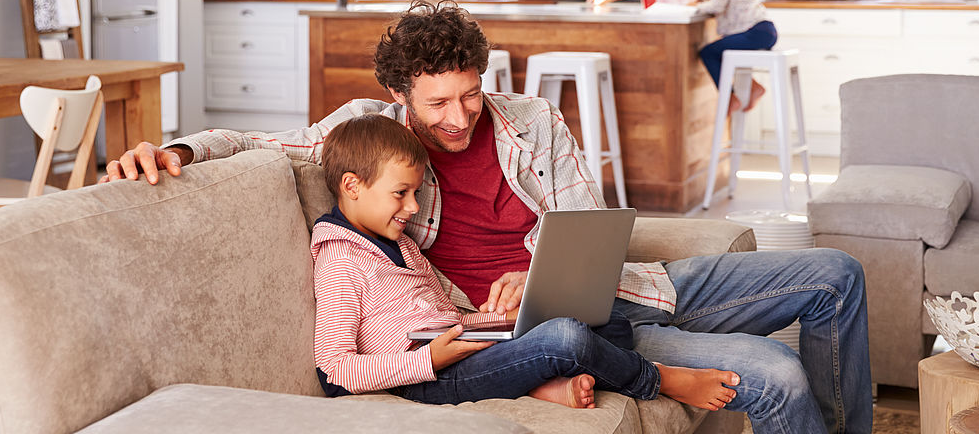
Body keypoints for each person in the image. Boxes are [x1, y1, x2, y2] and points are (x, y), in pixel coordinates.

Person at [103, 0, 872, 434]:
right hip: (528, 331)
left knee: (837, 275)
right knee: (773, 374)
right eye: (438, 101)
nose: (460, 114)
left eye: (470, 92)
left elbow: (587, 227)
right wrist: (175, 148)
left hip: (628, 288)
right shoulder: (370, 136)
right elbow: (257, 138)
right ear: (402, 94)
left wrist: (531, 268)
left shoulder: (532, 120)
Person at [312, 112, 739, 410]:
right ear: (352, 186)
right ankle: (661, 379)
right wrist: (428, 361)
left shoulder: (401, 244)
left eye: (416, 193)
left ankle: (537, 385)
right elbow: (334, 371)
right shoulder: (340, 259)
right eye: (400, 193)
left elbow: (444, 318)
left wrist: (507, 321)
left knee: (607, 322)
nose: (411, 206)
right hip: (425, 380)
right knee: (566, 339)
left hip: (459, 352)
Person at [686, 0, 778, 113]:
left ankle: (729, 97)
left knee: (708, 52)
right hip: (763, 31)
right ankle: (754, 87)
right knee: (724, 49)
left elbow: (717, 5)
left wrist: (696, 6)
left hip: (757, 31)